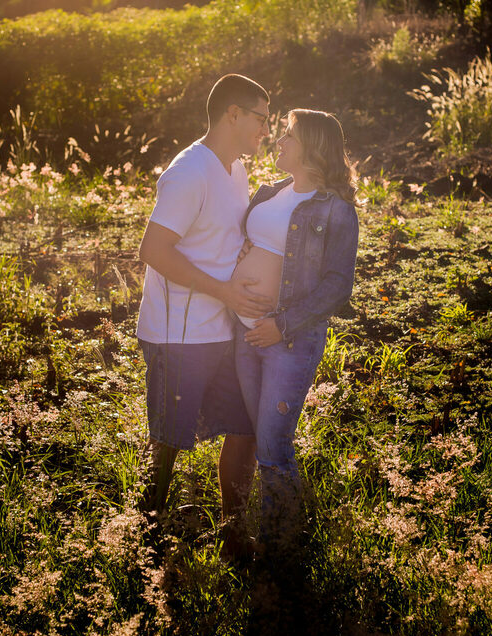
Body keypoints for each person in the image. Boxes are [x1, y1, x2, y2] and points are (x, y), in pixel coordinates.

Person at [135, 74, 272, 551]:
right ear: (233, 114)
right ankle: (143, 539)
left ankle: (234, 537)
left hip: (223, 328)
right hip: (178, 332)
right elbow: (153, 249)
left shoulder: (235, 169)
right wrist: (224, 291)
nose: (265, 130)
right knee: (168, 441)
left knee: (245, 427)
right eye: (260, 119)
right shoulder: (189, 172)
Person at [231, 109, 359, 549]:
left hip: (288, 341)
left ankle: (282, 547)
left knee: (273, 447)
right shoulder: (268, 193)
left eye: (288, 135)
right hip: (245, 334)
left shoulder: (335, 209)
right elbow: (246, 243)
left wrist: (279, 324)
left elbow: (339, 285)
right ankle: (256, 529)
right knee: (257, 437)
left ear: (312, 146)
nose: (278, 140)